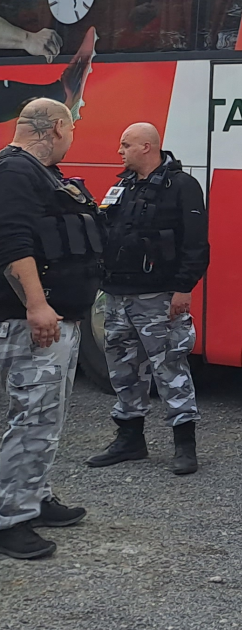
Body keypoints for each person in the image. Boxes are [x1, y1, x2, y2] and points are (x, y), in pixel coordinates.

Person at [0, 98, 102, 560]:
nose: (71, 137)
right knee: (32, 419)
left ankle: (34, 495)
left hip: (57, 320)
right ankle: (10, 519)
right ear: (58, 127)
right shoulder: (16, 172)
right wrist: (37, 304)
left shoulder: (39, 173)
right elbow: (11, 241)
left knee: (45, 418)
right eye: (73, 128)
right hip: (33, 322)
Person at [86, 123, 209, 476]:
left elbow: (196, 243)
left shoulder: (182, 186)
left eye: (125, 145)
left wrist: (184, 288)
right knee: (123, 368)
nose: (119, 151)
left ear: (146, 147)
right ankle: (130, 439)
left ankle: (184, 445)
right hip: (117, 295)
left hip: (158, 297)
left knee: (170, 367)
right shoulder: (123, 185)